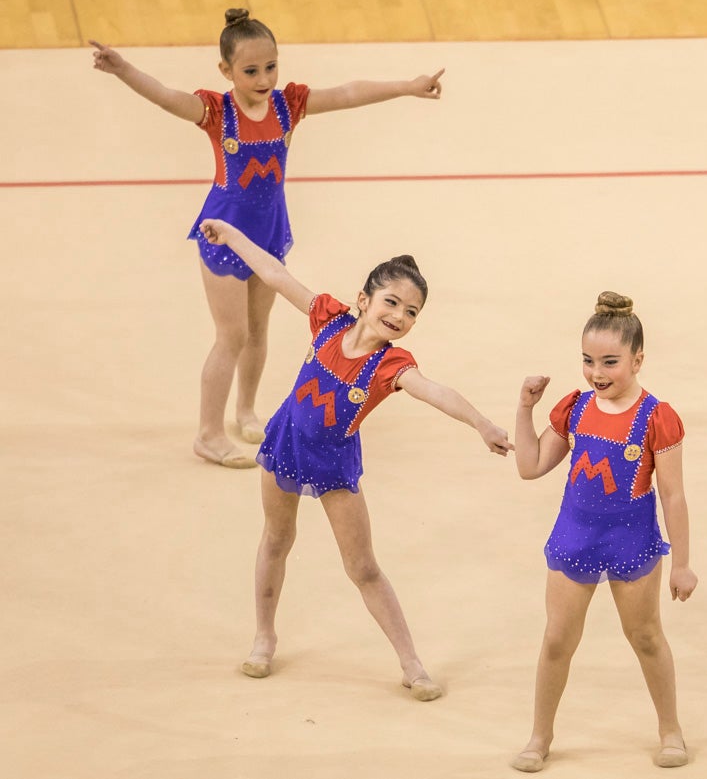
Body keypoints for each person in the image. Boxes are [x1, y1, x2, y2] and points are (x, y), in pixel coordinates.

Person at [90, 8, 445, 467]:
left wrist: (407, 86)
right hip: (224, 232)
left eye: (271, 67)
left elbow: (348, 93)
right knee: (232, 335)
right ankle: (208, 433)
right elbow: (166, 97)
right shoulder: (217, 112)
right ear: (226, 70)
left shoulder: (287, 105)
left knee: (258, 333)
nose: (264, 79)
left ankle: (244, 411)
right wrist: (122, 69)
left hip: (270, 232)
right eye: (251, 71)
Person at [197, 217, 513, 702]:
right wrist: (233, 236)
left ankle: (411, 664)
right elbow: (277, 276)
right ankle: (264, 638)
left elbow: (434, 391)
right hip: (285, 445)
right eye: (392, 302)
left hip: (333, 464)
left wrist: (481, 423)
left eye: (411, 312)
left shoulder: (390, 365)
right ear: (363, 300)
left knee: (363, 567)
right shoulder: (328, 319)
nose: (400, 316)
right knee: (276, 539)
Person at [511, 292, 697, 771]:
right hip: (575, 537)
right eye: (588, 361)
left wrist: (681, 564)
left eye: (610, 362)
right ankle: (540, 736)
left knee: (647, 637)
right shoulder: (574, 408)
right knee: (557, 640)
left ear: (637, 359)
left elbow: (673, 496)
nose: (597, 372)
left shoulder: (656, 417)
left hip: (631, 541)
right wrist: (525, 408)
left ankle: (671, 729)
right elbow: (530, 467)